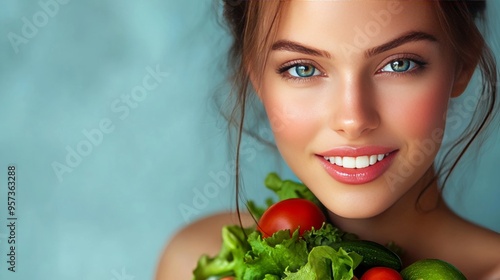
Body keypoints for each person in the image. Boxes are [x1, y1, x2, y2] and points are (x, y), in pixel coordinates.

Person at [156, 0, 500, 279]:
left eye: (399, 64)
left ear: (463, 64)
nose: (352, 120)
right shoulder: (194, 260)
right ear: (257, 78)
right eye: (302, 68)